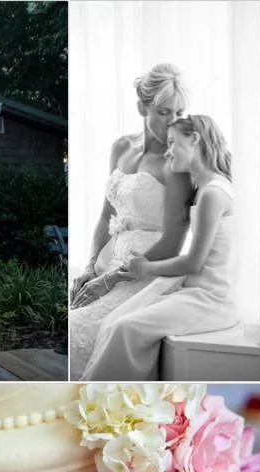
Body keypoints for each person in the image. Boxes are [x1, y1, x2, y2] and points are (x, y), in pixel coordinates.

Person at [79, 115, 238, 379]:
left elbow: (194, 263)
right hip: (191, 291)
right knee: (112, 322)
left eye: (173, 142)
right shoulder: (204, 189)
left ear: (195, 140)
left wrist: (145, 267)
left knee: (125, 328)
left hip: (210, 299)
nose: (168, 150)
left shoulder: (213, 193)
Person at [69, 62, 197, 377]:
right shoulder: (121, 148)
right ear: (143, 106)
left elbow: (172, 244)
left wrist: (111, 280)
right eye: (164, 112)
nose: (173, 122)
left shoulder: (176, 164)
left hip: (148, 272)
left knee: (77, 330)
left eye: (179, 114)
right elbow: (105, 216)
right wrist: (89, 269)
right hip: (108, 262)